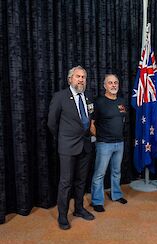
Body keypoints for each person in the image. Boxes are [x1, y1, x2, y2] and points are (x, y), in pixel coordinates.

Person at [48, 66, 95, 230]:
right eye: (78, 77)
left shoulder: (88, 97)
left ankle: (79, 209)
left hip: (85, 145)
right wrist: (64, 138)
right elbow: (51, 123)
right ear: (70, 79)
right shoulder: (60, 97)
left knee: (81, 181)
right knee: (65, 183)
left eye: (83, 77)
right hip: (67, 147)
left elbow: (89, 119)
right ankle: (62, 215)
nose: (81, 79)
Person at [90, 74, 128, 213]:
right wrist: (99, 137)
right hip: (104, 144)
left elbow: (122, 120)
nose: (113, 85)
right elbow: (91, 124)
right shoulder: (99, 102)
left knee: (117, 172)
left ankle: (116, 195)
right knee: (100, 173)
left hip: (120, 143)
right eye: (110, 83)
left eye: (115, 82)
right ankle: (97, 201)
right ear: (104, 85)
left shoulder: (122, 101)